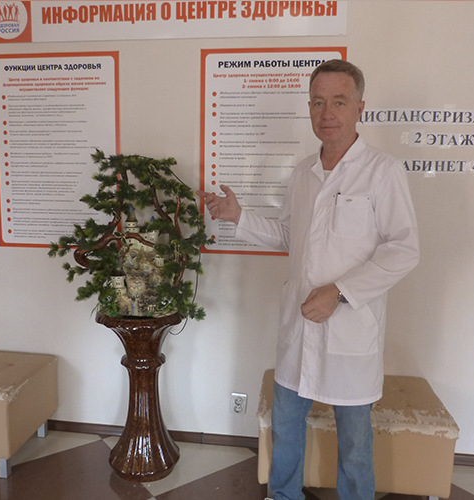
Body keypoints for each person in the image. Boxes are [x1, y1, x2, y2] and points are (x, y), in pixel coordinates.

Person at [197, 60, 419, 500]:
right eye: (318, 102)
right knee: (286, 427)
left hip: (350, 330)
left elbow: (404, 249)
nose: (327, 113)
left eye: (339, 101)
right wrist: (238, 217)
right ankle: (284, 497)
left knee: (355, 444)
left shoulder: (383, 171)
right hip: (298, 328)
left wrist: (340, 292)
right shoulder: (302, 172)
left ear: (360, 107)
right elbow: (288, 235)